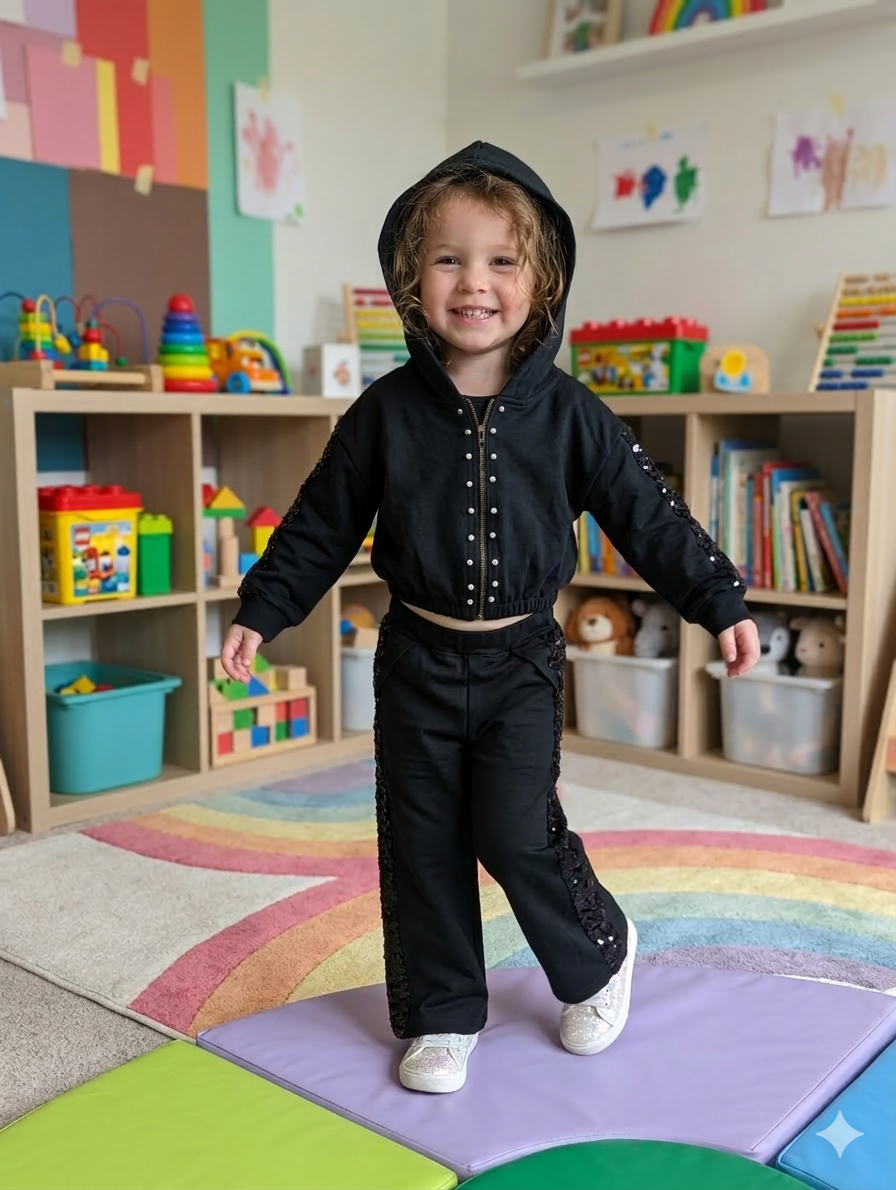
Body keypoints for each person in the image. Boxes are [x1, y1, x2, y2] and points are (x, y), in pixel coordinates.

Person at [221, 142, 760, 1095]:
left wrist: (718, 601)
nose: (475, 282)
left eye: (501, 261)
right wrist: (261, 611)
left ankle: (598, 954)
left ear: (541, 281)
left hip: (520, 663)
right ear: (410, 279)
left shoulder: (572, 414)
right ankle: (441, 1013)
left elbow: (648, 513)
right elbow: (317, 524)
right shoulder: (383, 414)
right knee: (422, 836)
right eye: (449, 259)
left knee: (514, 830)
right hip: (416, 660)